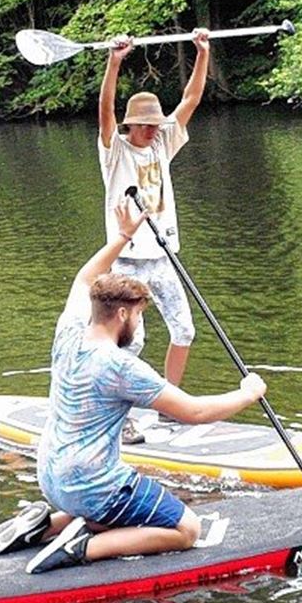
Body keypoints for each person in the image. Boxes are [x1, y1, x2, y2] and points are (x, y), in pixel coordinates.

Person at [0, 199, 266, 574]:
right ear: (121, 314)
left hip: (50, 477)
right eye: (137, 314)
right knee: (186, 529)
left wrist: (122, 237)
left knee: (117, 508)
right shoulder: (122, 367)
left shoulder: (67, 332)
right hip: (89, 486)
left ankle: (46, 525)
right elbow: (194, 412)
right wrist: (249, 393)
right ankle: (85, 547)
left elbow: (84, 277)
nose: (137, 321)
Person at [98, 28, 210, 441]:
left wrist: (202, 53)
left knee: (185, 330)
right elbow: (105, 115)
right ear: (132, 126)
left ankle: (170, 405)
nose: (150, 130)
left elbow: (191, 100)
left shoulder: (162, 144)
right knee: (132, 342)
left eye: (154, 124)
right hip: (126, 260)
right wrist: (114, 62)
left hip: (164, 256)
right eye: (144, 125)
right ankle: (120, 417)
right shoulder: (116, 151)